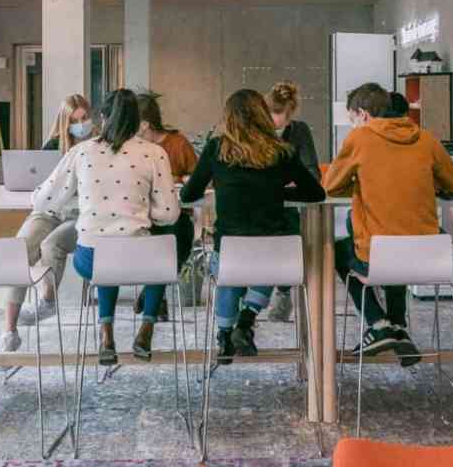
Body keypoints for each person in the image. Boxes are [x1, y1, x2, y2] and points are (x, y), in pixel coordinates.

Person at [32, 88, 180, 365]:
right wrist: (142, 211)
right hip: (141, 261)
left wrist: (83, 203)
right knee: (160, 251)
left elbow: (43, 200)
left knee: (106, 253)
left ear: (102, 117)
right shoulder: (154, 153)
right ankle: (147, 327)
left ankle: (106, 334)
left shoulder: (81, 151)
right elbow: (170, 214)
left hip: (91, 260)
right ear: (138, 121)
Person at [322, 81, 453, 365]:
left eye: (352, 119)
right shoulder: (426, 139)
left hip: (381, 254)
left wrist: (360, 183)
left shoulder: (360, 139)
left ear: (363, 115)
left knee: (338, 251)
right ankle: (398, 328)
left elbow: (331, 185)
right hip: (428, 257)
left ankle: (378, 324)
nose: (352, 125)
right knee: (395, 237)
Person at [180, 90, 325, 363]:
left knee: (229, 272)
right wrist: (275, 192)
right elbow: (315, 193)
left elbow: (188, 195)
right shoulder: (282, 152)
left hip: (230, 251)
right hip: (271, 254)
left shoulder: (216, 148)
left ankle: (224, 336)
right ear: (262, 115)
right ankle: (246, 320)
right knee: (268, 260)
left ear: (229, 118)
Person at [1, 94, 92, 351]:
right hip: (49, 211)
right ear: (65, 122)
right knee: (20, 249)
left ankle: (47, 300)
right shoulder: (52, 147)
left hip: (78, 213)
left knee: (51, 245)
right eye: (75, 121)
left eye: (85, 118)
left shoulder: (95, 146)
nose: (82, 125)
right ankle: (9, 330)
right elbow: (43, 186)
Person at [259, 81, 319, 320]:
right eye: (270, 113)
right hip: (261, 204)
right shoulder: (255, 132)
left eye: (279, 114)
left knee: (291, 232)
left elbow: (312, 173)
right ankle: (259, 295)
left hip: (289, 206)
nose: (274, 119)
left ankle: (282, 292)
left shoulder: (299, 131)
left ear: (290, 112)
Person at [135, 92, 197, 320]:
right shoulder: (131, 148)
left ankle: (153, 291)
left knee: (180, 233)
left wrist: (181, 180)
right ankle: (156, 294)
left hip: (175, 213)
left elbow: (197, 178)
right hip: (141, 216)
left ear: (144, 124)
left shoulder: (178, 143)